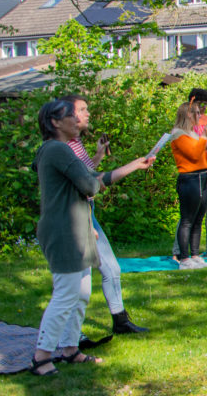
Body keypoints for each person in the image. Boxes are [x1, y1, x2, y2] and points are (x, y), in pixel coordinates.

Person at [29, 99, 154, 376]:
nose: (78, 120)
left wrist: (134, 165)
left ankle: (70, 350)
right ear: (54, 122)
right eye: (71, 116)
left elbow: (94, 180)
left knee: (82, 294)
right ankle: (41, 357)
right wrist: (92, 183)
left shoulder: (57, 150)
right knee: (65, 295)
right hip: (65, 233)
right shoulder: (57, 150)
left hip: (79, 229)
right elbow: (89, 185)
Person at [59, 95, 147, 335]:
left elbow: (90, 173)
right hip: (75, 214)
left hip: (87, 211)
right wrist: (133, 165)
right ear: (65, 116)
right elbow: (92, 181)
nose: (88, 114)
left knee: (111, 269)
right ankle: (71, 338)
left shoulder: (75, 142)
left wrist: (98, 154)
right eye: (82, 110)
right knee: (79, 282)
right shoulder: (62, 148)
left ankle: (120, 321)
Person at [171, 89, 207, 258]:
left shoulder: (193, 132)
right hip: (190, 178)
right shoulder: (180, 134)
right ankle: (182, 255)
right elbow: (193, 154)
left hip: (205, 174)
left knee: (202, 216)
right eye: (199, 109)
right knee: (188, 217)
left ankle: (195, 255)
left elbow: (203, 154)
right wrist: (205, 137)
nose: (201, 113)